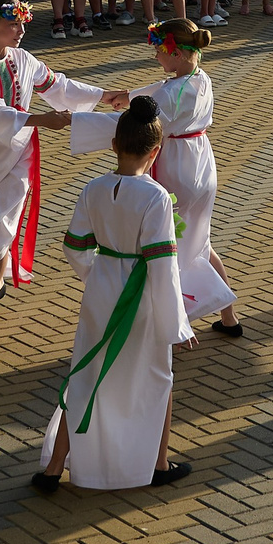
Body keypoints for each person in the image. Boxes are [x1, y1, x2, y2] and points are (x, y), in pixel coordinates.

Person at [35, 95, 195, 494]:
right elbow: (163, 266)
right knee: (159, 377)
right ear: (156, 150)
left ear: (113, 145)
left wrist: (96, 274)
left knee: (86, 373)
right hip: (139, 298)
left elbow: (73, 246)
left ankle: (56, 466)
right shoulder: (156, 196)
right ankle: (157, 464)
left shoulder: (93, 187)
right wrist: (177, 323)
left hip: (101, 290)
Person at [0, 0, 115, 339]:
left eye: (22, 24)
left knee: (2, 231)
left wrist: (106, 95)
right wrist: (40, 119)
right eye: (12, 25)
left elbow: (59, 85)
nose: (20, 31)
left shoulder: (24, 59)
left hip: (20, 155)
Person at [70, 18, 238, 334]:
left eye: (158, 51)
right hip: (201, 162)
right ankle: (229, 318)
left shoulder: (173, 91)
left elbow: (141, 123)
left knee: (166, 246)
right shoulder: (199, 77)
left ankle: (170, 325)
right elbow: (161, 93)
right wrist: (129, 95)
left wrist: (79, 121)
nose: (156, 58)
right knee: (200, 241)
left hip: (175, 167)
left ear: (174, 53)